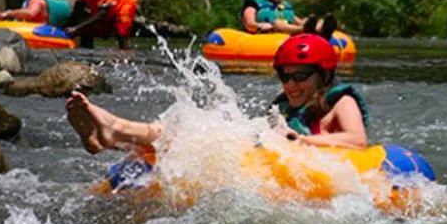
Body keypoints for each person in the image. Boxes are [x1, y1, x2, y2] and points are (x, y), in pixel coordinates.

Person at [67, 34, 367, 154]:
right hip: (269, 159)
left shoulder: (341, 102)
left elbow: (357, 140)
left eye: (301, 76)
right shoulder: (287, 106)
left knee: (199, 140)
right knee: (196, 131)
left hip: (310, 168)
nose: (290, 85)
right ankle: (109, 137)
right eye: (285, 76)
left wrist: (304, 140)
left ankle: (115, 132)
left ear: (324, 76)